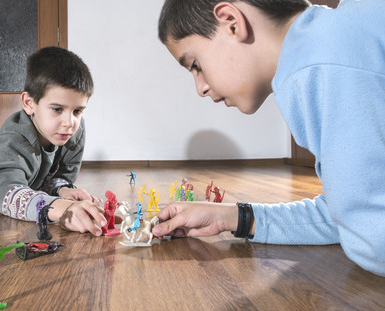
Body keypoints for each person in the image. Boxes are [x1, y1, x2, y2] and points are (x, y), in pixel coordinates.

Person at [152, 0, 385, 276]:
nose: (200, 88)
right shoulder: (330, 40)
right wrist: (235, 217)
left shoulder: (318, 69)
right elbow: (343, 213)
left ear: (231, 22)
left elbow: (373, 242)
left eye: (195, 65)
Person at [0, 47, 107, 236]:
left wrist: (61, 190)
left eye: (77, 111)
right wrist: (56, 206)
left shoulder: (75, 130)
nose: (69, 123)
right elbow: (6, 193)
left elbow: (62, 175)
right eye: (57, 109)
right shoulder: (11, 139)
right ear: (29, 103)